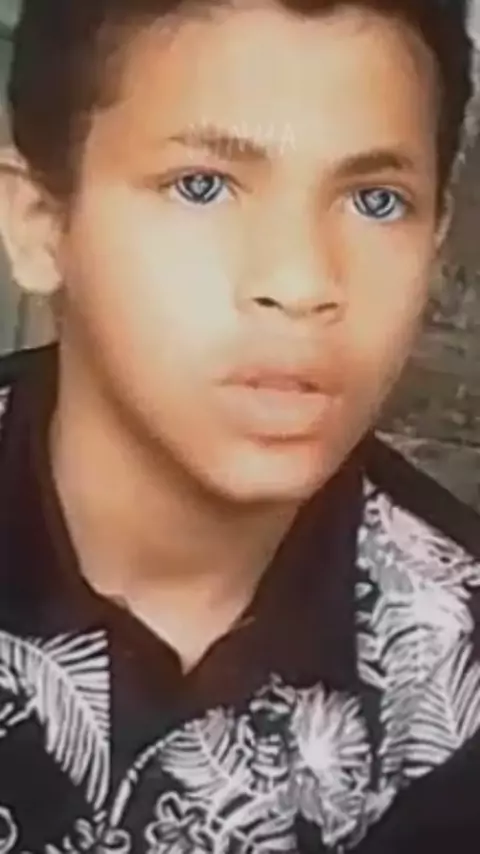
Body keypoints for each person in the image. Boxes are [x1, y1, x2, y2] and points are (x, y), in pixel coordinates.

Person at [0, 0, 478, 850]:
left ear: (435, 237)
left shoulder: (453, 674)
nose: (300, 281)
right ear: (38, 222)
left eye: (375, 200)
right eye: (202, 186)